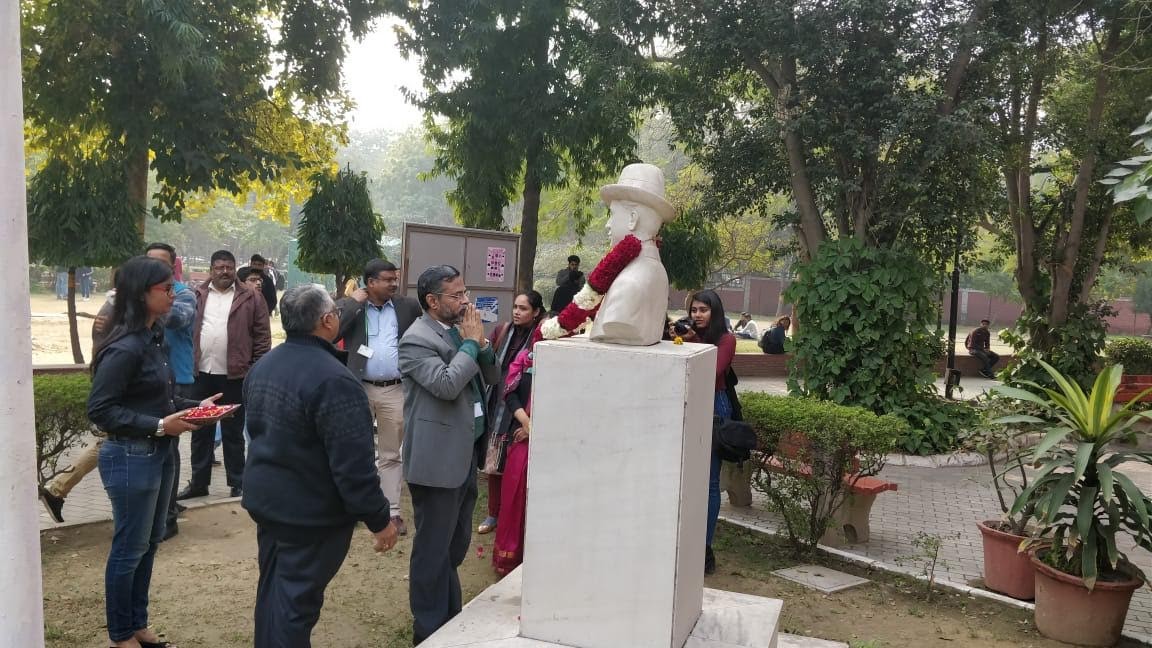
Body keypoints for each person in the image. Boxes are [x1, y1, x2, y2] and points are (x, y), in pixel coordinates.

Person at [243, 285, 399, 646]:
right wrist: (380, 520)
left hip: (270, 502)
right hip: (309, 515)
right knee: (295, 603)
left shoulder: (264, 365)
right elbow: (353, 467)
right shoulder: (335, 381)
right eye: (337, 313)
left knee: (275, 591)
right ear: (328, 320)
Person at [86, 255, 218, 648]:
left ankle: (137, 624)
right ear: (143, 294)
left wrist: (194, 408)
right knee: (129, 549)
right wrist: (160, 425)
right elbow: (101, 410)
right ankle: (120, 634)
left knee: (149, 543)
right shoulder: (124, 348)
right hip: (131, 456)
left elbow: (157, 398)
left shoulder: (153, 338)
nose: (174, 294)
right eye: (166, 288)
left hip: (160, 453)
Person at [399, 265, 499, 644]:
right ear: (432, 301)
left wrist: (481, 345)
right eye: (456, 295)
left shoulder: (458, 330)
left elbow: (492, 377)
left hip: (464, 454)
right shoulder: (416, 339)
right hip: (436, 461)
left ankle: (449, 617)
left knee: (454, 546)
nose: (465, 301)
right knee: (432, 549)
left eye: (464, 292)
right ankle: (427, 630)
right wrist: (471, 344)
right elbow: (446, 384)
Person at [334, 259, 423, 536]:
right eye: (388, 279)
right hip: (359, 388)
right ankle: (353, 507)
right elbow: (333, 331)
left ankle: (391, 511)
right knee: (355, 449)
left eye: (395, 278)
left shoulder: (407, 307)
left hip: (395, 389)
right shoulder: (352, 306)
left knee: (391, 453)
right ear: (371, 282)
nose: (394, 283)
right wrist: (353, 303)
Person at [178, 250, 271, 500]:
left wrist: (255, 370)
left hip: (235, 375)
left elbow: (262, 337)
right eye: (219, 267)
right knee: (200, 431)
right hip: (201, 373)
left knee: (233, 432)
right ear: (211, 270)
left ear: (235, 268)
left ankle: (238, 482)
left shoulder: (251, 297)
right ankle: (199, 483)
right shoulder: (197, 294)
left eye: (229, 267)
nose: (225, 272)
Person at [477, 290, 546, 536]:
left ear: (536, 312)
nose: (517, 312)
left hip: (523, 405)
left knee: (515, 464)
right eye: (515, 307)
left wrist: (529, 418)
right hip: (499, 401)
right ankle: (493, 513)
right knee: (494, 458)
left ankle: (512, 516)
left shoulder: (543, 337)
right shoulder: (502, 331)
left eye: (523, 308)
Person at [589, 163, 677, 346]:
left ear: (633, 219)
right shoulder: (657, 271)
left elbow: (617, 324)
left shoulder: (629, 282)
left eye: (612, 215)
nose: (608, 224)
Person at [145, 243, 198, 541]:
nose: (154, 268)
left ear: (173, 266)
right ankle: (157, 508)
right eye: (149, 262)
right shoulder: (137, 296)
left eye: (161, 263)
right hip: (147, 378)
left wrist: (138, 306)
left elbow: (177, 318)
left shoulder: (183, 294)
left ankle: (168, 515)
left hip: (176, 378)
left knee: (169, 446)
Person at [683, 289, 736, 576]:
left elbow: (712, 370)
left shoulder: (726, 339)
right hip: (688, 403)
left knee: (710, 482)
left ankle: (704, 548)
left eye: (703, 310)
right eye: (694, 310)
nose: (697, 315)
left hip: (714, 407)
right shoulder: (686, 333)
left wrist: (694, 341)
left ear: (715, 312)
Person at [491, 335, 537, 575]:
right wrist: (528, 423)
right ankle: (511, 558)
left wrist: (538, 428)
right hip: (522, 435)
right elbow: (510, 393)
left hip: (552, 440)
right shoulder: (526, 357)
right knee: (514, 495)